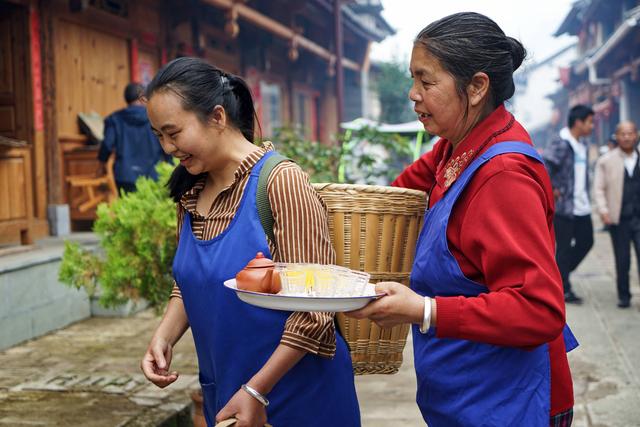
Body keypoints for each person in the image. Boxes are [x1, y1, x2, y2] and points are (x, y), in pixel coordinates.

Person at [347, 12, 577, 426]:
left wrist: (423, 310)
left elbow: (539, 308)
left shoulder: (504, 174)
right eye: (412, 79)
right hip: (470, 393)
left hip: (512, 402)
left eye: (426, 81)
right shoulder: (457, 146)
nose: (413, 94)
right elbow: (396, 196)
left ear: (476, 87)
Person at [139, 57, 359, 427]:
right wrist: (164, 336)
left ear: (218, 117)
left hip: (297, 397)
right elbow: (190, 281)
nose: (166, 147)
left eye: (173, 133)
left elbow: (316, 310)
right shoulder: (191, 193)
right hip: (229, 395)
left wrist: (257, 390)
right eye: (158, 135)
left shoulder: (279, 183)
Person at [543, 104, 595, 304]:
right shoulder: (561, 143)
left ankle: (557, 276)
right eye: (589, 122)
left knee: (586, 241)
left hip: (582, 205)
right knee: (563, 248)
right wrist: (554, 189)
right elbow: (545, 166)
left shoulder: (582, 144)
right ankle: (563, 287)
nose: (592, 126)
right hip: (565, 207)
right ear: (579, 122)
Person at [594, 121, 639, 308]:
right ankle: (624, 296)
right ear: (617, 136)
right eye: (623, 134)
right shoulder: (606, 160)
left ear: (636, 135)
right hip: (618, 218)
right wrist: (603, 210)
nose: (627, 137)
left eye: (630, 133)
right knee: (622, 260)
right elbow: (598, 188)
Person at [98, 82, 170, 193]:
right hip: (153, 175)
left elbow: (107, 144)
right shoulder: (155, 117)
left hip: (125, 176)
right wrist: (169, 166)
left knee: (129, 208)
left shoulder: (114, 119)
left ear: (126, 98)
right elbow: (167, 144)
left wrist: (101, 164)